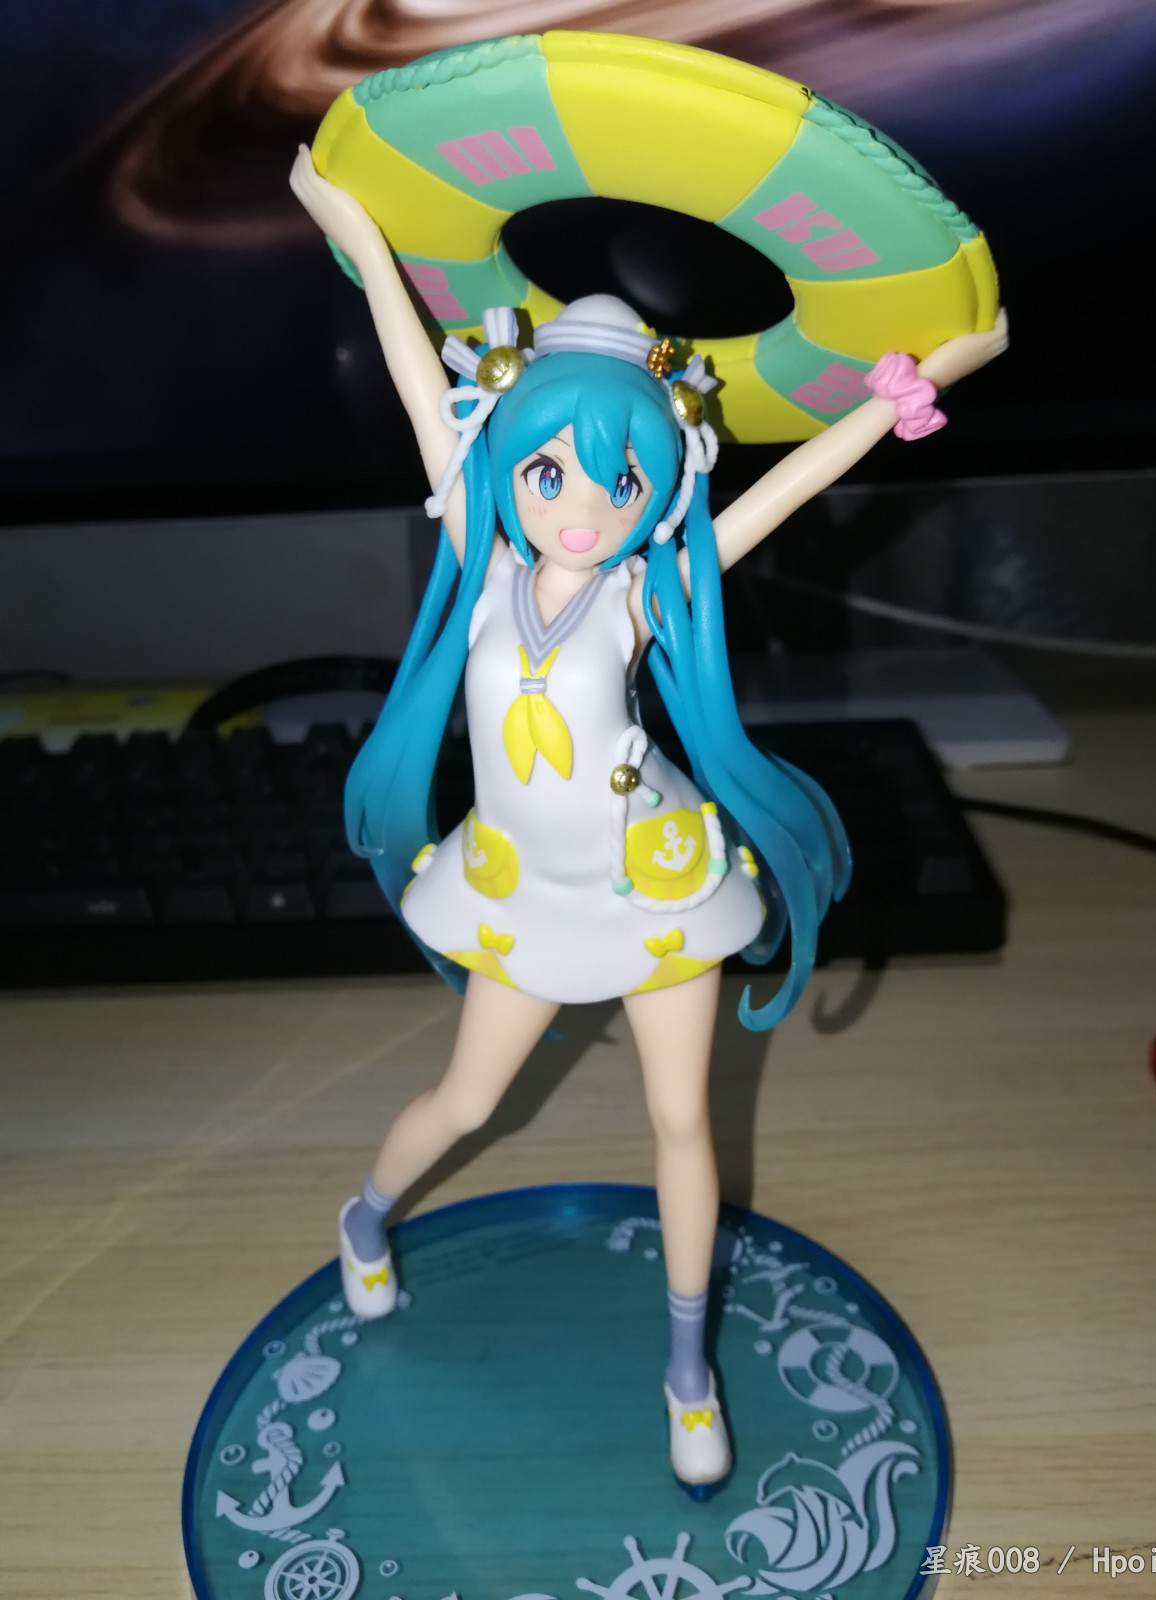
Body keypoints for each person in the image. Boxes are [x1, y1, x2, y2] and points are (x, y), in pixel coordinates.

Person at [290, 145, 1007, 1489]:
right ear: (509, 462)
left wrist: (919, 383)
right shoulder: (484, 557)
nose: (580, 511)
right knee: (467, 1099)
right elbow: (413, 377)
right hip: (520, 887)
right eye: (550, 474)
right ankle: (366, 1218)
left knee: (684, 1124)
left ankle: (687, 1369)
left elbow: (784, 492)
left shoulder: (641, 589)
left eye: (616, 486)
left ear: (657, 488)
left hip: (653, 876)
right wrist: (351, 226)